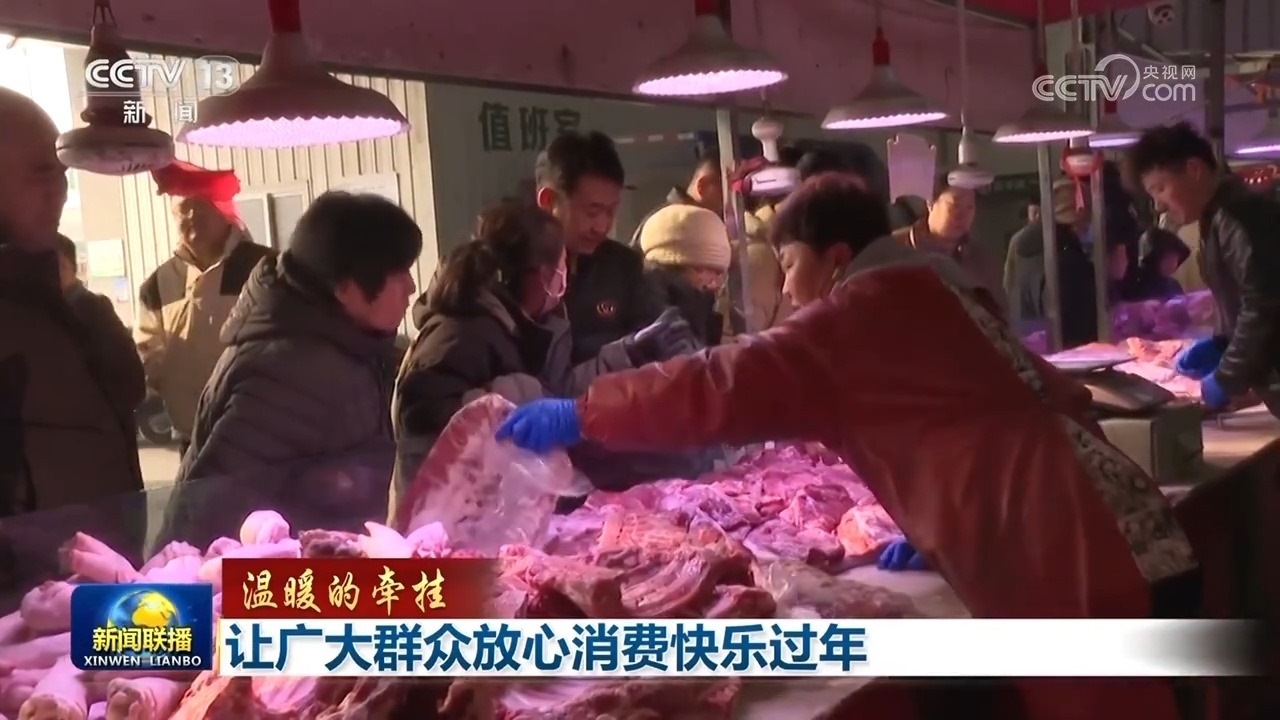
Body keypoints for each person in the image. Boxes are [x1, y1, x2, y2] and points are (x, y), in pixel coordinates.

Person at [495, 172, 1199, 720]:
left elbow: (718, 383)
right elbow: (1039, 402)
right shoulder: (941, 292)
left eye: (790, 264)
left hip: (1066, 562)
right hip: (1129, 529)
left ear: (835, 259)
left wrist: (584, 412)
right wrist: (945, 526)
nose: (788, 288)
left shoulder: (856, 315)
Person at [156, 192, 421, 548]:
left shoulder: (348, 347)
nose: (411, 287)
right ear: (347, 288)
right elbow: (212, 517)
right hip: (279, 576)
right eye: (399, 273)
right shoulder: (289, 373)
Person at [390, 202, 654, 521]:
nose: (566, 277)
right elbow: (419, 413)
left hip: (488, 516)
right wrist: (507, 403)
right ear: (542, 274)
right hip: (441, 522)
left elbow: (557, 390)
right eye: (562, 264)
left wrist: (627, 354)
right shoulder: (463, 330)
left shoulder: (527, 326)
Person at [0, 88, 143, 580]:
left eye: (62, 172)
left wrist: (75, 296)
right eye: (42, 173)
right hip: (27, 600)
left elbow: (129, 387)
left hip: (99, 586)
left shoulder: (54, 290)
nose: (60, 191)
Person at [1127, 122, 1280, 413]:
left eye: (1160, 189)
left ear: (1194, 169)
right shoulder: (1218, 218)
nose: (1158, 206)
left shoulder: (1239, 216)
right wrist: (1222, 342)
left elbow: (1263, 304)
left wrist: (1227, 376)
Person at [135, 161, 274, 456]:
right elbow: (148, 351)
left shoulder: (265, 267)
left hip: (259, 430)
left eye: (200, 207)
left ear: (224, 212)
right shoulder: (159, 283)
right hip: (192, 435)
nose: (191, 217)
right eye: (183, 210)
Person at [535, 131, 669, 364]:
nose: (602, 226)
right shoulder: (517, 272)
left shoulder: (625, 266)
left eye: (610, 211)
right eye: (592, 212)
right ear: (548, 201)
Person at [54, 235, 146, 435]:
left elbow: (131, 382)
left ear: (72, 268)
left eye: (56, 266)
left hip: (96, 437)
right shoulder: (44, 313)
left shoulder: (94, 311)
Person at [1003, 179, 1098, 346]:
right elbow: (1077, 322)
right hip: (1069, 350)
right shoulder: (1068, 257)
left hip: (1029, 343)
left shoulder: (1021, 244)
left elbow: (1008, 290)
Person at [893, 185, 1007, 316]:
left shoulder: (981, 261)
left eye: (970, 207)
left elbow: (1000, 315)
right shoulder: (892, 249)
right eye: (955, 205)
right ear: (930, 204)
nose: (962, 216)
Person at [637, 205, 732, 347]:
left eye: (718, 273)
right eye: (700, 270)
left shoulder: (699, 306)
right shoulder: (657, 315)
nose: (714, 284)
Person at [629, 147, 723, 245]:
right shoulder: (678, 226)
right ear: (702, 187)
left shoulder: (671, 219)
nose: (726, 205)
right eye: (724, 194)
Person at [1132, 227, 1190, 301]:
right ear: (1153, 258)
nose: (1173, 264)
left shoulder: (1173, 285)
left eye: (1176, 259)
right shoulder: (1136, 286)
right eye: (1168, 258)